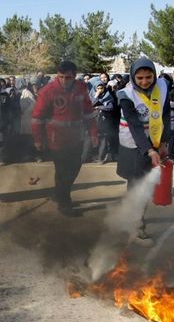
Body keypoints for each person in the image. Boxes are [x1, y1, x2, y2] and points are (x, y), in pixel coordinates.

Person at [116, 58, 171, 246]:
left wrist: (164, 141)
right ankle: (134, 222)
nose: (145, 81)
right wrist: (147, 150)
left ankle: (137, 218)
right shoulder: (125, 94)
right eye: (140, 78)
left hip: (155, 139)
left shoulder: (163, 86)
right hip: (133, 143)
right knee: (135, 182)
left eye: (149, 77)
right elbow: (134, 125)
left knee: (145, 184)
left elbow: (165, 114)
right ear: (132, 77)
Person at [32, 61, 98, 216]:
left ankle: (58, 194)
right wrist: (38, 139)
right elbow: (37, 118)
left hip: (76, 138)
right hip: (56, 139)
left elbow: (88, 112)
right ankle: (65, 203)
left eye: (68, 77)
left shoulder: (81, 89)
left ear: (74, 76)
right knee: (63, 171)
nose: (63, 80)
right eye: (60, 77)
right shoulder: (48, 91)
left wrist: (93, 133)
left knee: (74, 167)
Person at [91, 80, 119, 163]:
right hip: (95, 120)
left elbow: (110, 107)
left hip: (105, 121)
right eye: (98, 88)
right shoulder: (93, 95)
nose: (100, 90)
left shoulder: (108, 96)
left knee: (104, 139)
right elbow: (90, 105)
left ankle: (101, 157)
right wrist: (96, 96)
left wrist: (99, 107)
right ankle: (94, 155)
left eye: (101, 88)